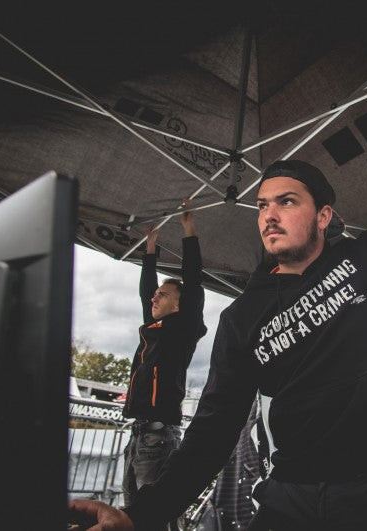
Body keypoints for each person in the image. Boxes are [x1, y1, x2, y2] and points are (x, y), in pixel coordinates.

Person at [70, 62, 367, 530]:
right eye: (262, 205)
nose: (269, 215)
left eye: (287, 201)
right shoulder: (242, 317)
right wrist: (140, 516)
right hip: (290, 494)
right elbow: (213, 430)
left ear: (323, 216)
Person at [119, 205, 207, 524]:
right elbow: (146, 292)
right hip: (139, 433)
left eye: (163, 295)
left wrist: (189, 231)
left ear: (179, 305)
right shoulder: (153, 329)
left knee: (154, 517)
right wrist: (150, 249)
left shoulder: (182, 330)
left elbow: (193, 281)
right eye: (156, 295)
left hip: (158, 435)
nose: (154, 298)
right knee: (131, 515)